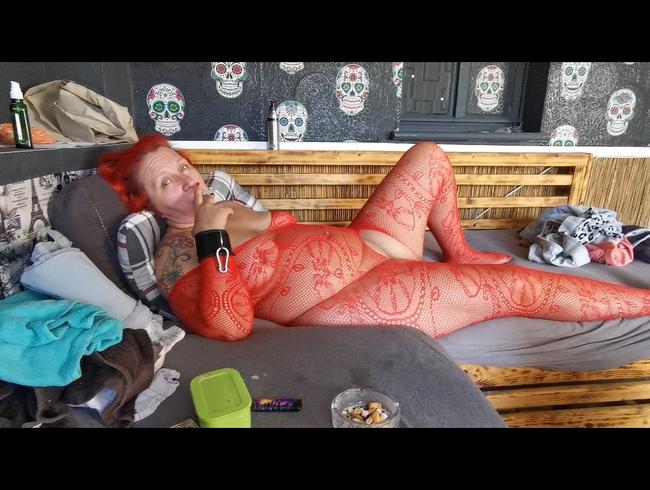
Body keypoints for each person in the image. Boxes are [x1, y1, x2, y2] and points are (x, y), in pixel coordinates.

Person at [98, 135, 650, 341]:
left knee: (428, 155)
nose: (188, 180)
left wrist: (221, 215)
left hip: (369, 244)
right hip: (352, 295)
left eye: (183, 166)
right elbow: (229, 326)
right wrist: (212, 237)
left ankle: (458, 252)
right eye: (167, 182)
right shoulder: (177, 252)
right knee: (517, 288)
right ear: (147, 204)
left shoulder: (220, 199)